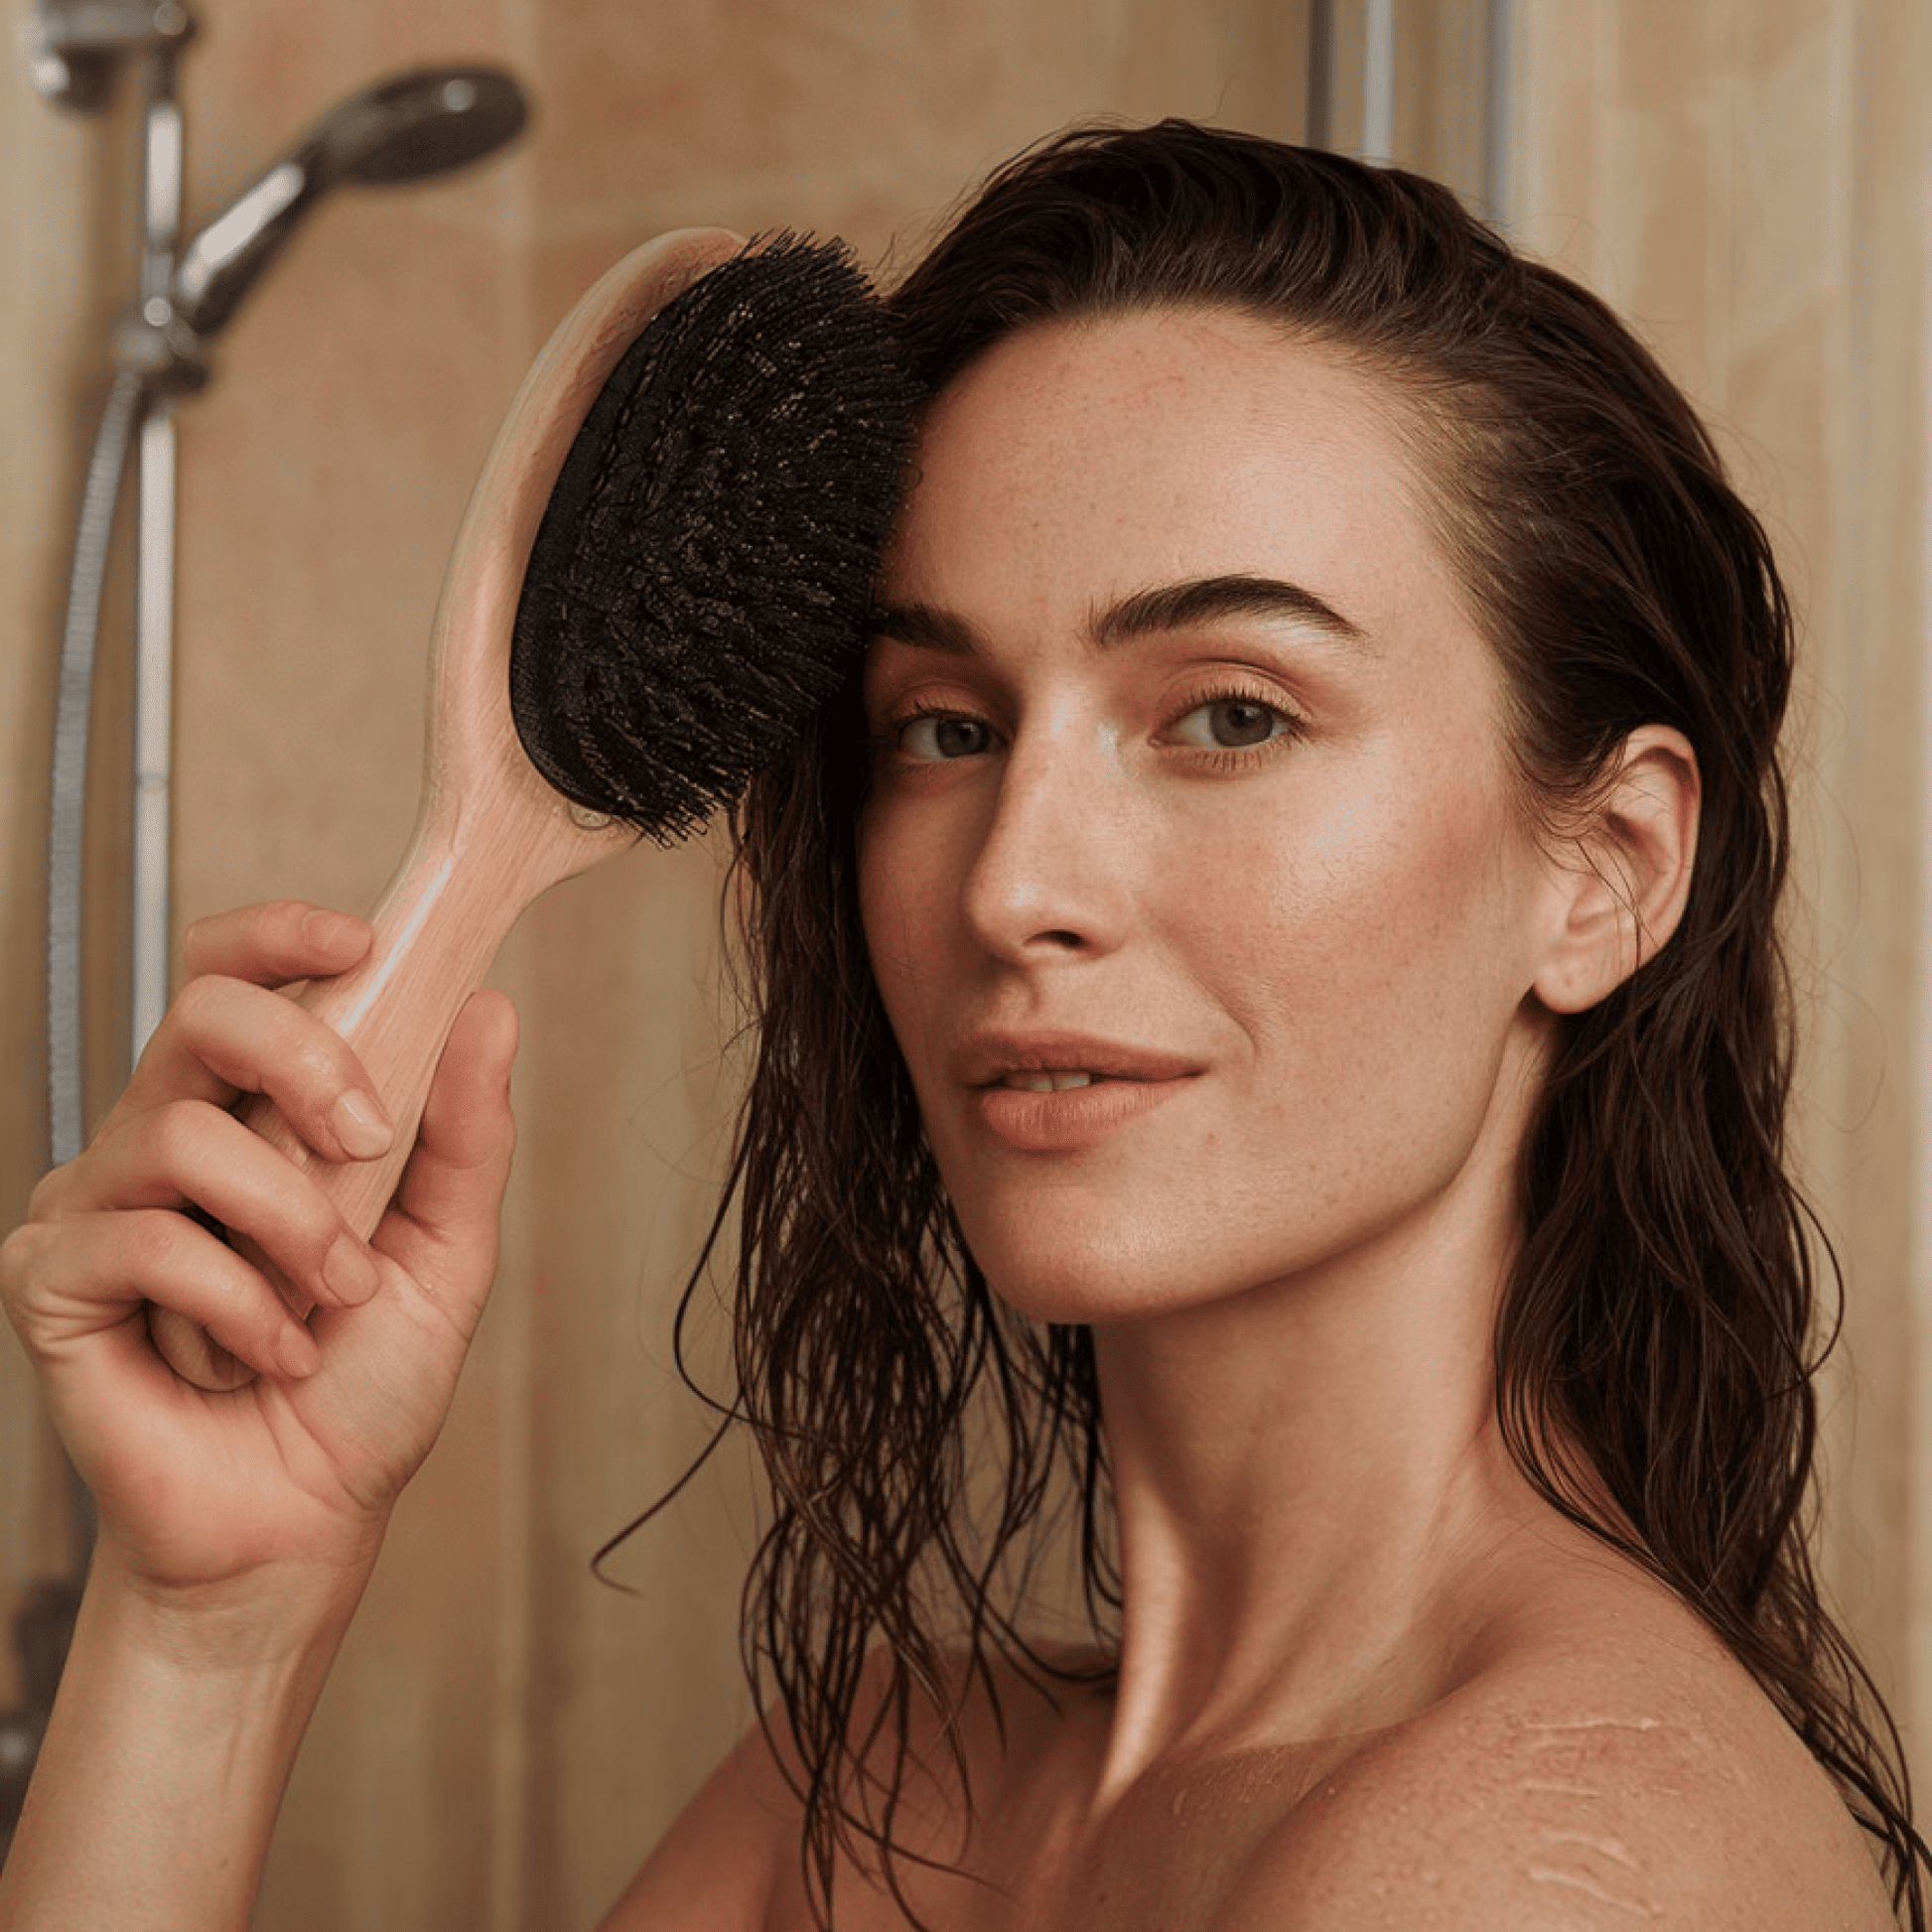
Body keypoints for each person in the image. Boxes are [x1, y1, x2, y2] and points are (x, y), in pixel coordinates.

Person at [0, 120, 1922, 1930]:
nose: (1013, 884)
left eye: (1228, 713)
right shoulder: (882, 1785)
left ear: (1603, 868)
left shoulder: (1549, 1863)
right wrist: (208, 1629)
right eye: (945, 726)